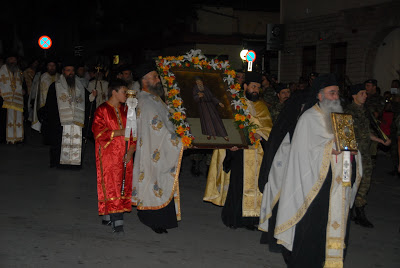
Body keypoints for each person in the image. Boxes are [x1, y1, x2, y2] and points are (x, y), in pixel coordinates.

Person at [263, 73, 362, 267]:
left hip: (338, 182)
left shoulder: (342, 119)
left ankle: (330, 260)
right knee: (313, 225)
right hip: (314, 185)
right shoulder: (308, 118)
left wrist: (352, 152)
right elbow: (302, 153)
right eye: (331, 93)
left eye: (337, 93)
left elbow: (351, 146)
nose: (335, 97)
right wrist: (329, 149)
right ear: (319, 95)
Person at [204, 71, 273, 230]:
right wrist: (231, 143)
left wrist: (259, 134)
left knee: (255, 186)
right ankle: (233, 218)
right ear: (245, 86)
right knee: (237, 184)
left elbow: (268, 128)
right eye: (253, 86)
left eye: (258, 87)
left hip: (256, 153)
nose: (256, 90)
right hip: (238, 151)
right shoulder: (234, 103)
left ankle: (250, 220)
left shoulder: (261, 106)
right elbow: (225, 125)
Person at [131, 62, 184, 234]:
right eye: (154, 77)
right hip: (152, 151)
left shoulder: (155, 99)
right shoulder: (145, 102)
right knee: (153, 181)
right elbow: (157, 129)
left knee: (160, 181)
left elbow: (168, 123)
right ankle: (152, 220)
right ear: (144, 80)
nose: (158, 80)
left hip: (158, 149)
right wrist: (178, 140)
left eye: (157, 76)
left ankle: (162, 219)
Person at [92, 79, 136, 233]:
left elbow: (133, 134)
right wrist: (120, 132)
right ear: (114, 92)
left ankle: (108, 215)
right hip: (108, 154)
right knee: (111, 184)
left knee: (123, 184)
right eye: (124, 92)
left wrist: (131, 151)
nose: (126, 95)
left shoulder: (127, 111)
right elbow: (98, 132)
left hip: (124, 154)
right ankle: (117, 220)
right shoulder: (102, 110)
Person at [345, 84, 390, 228]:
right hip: (353, 154)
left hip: (365, 152)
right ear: (354, 95)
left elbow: (367, 133)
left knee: (365, 181)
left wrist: (380, 140)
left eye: (365, 93)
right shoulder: (347, 112)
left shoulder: (365, 111)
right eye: (362, 93)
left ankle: (359, 211)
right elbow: (345, 135)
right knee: (352, 182)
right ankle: (350, 210)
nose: (365, 95)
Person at [43, 57, 85, 168]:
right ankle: (59, 163)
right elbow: (50, 106)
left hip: (76, 120)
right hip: (60, 120)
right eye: (68, 70)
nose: (70, 73)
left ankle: (74, 163)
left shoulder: (80, 86)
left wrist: (92, 97)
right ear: (63, 71)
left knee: (75, 140)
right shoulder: (55, 86)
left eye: (72, 70)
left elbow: (86, 101)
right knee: (59, 142)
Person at [192, 76, 229, 141]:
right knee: (206, 120)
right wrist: (198, 96)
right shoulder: (195, 88)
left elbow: (212, 97)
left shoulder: (206, 88)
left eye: (200, 82)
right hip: (202, 106)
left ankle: (224, 135)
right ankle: (209, 134)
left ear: (202, 82)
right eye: (198, 82)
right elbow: (194, 98)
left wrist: (219, 103)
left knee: (216, 119)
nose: (199, 83)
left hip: (210, 106)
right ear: (196, 83)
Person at [0, 53, 24, 144]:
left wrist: (23, 90)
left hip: (17, 98)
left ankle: (18, 137)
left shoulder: (18, 71)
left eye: (14, 59)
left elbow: (21, 83)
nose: (13, 61)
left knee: (18, 118)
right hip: (4, 99)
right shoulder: (2, 70)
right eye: (11, 59)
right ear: (7, 60)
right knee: (6, 119)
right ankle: (6, 138)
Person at [31, 58, 60, 133]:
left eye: (53, 65)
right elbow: (38, 92)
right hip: (45, 104)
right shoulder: (43, 77)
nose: (52, 67)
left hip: (58, 104)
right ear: (47, 66)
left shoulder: (59, 77)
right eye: (50, 65)